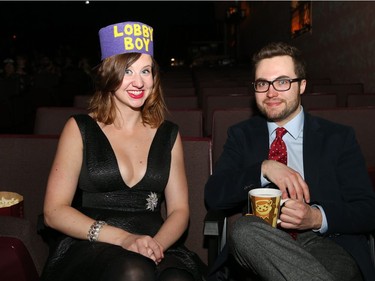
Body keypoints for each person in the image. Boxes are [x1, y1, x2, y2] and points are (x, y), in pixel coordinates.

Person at [40, 21, 205, 281]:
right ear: (109, 74)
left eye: (146, 71)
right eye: (127, 71)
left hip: (154, 240)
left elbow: (179, 210)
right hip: (93, 243)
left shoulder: (168, 133)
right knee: (133, 272)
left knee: (177, 279)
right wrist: (125, 239)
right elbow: (54, 212)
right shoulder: (80, 128)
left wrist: (155, 246)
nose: (138, 82)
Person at [204, 42, 375, 281]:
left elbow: (367, 209)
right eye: (262, 83)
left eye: (282, 81)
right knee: (244, 229)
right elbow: (214, 195)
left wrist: (316, 218)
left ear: (302, 85)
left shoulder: (337, 138)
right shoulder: (241, 136)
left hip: (326, 245)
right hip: (259, 245)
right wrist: (263, 169)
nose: (271, 92)